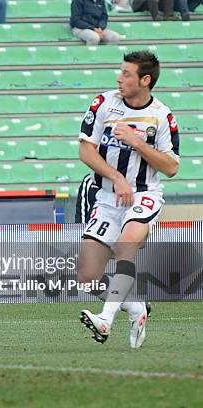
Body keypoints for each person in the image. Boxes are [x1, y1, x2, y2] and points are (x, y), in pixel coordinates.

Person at [76, 51, 180, 349]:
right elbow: (86, 151)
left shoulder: (161, 116)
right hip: (109, 197)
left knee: (126, 246)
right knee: (87, 277)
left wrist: (137, 142)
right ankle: (135, 307)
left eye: (126, 74)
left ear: (145, 80)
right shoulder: (103, 103)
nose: (119, 79)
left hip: (145, 195)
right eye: (120, 72)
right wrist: (117, 177)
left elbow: (171, 167)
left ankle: (106, 319)